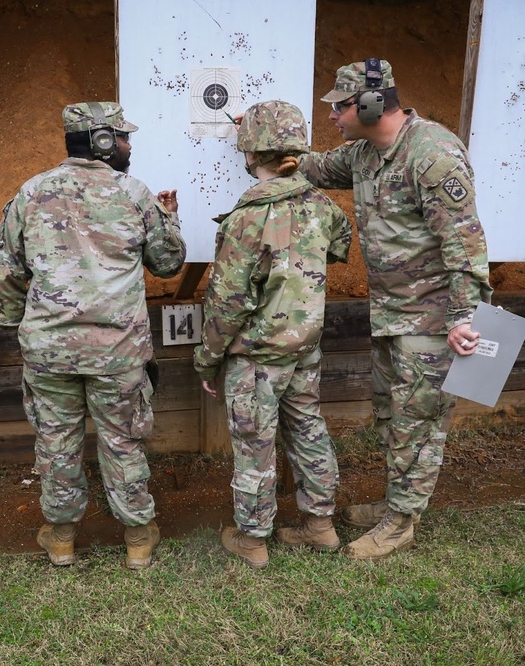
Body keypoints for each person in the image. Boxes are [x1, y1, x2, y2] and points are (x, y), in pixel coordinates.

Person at [298, 59, 492, 561]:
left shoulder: (433, 154)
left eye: (340, 106)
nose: (334, 116)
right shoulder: (366, 153)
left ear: (369, 104)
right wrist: (263, 142)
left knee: (418, 422)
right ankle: (396, 501)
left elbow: (465, 245)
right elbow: (317, 167)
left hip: (433, 320)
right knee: (391, 414)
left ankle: (401, 522)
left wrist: (466, 317)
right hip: (391, 313)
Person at [0, 101, 186, 569]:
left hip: (50, 354)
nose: (129, 145)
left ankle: (60, 539)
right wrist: (170, 219)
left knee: (56, 443)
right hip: (117, 353)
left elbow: (7, 274)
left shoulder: (31, 193)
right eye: (123, 137)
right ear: (102, 141)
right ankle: (138, 537)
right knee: (122, 441)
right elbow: (168, 263)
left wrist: (22, 328)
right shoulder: (135, 194)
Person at [193, 100, 352, 569]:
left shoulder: (248, 217)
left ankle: (253, 539)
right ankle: (320, 526)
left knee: (254, 443)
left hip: (258, 355)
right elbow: (338, 247)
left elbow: (227, 302)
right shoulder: (323, 207)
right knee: (307, 429)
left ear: (249, 153)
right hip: (305, 346)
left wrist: (208, 358)